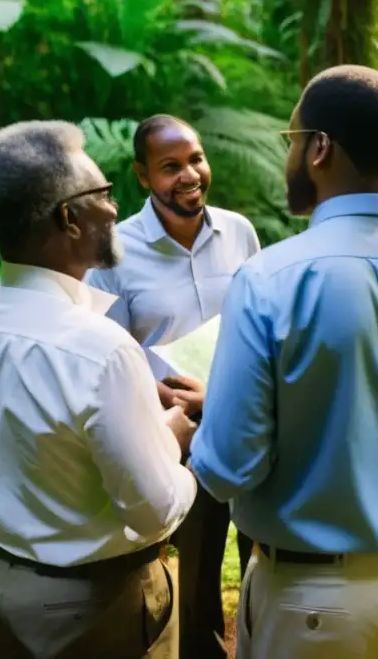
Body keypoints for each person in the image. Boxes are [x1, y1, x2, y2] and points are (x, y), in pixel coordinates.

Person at [189, 65, 378, 659]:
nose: (290, 156)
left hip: (312, 597)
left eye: (292, 140)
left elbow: (229, 466)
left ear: (320, 148)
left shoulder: (270, 279)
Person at [0, 120, 198, 658]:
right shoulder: (101, 349)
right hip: (97, 603)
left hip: (4, 585)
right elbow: (153, 510)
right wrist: (172, 434)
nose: (116, 208)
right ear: (68, 217)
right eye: (103, 193)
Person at [85, 114, 260, 659]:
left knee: (268, 561)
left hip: (247, 423)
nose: (189, 175)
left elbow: (260, 324)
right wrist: (161, 394)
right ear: (142, 175)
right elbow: (105, 350)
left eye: (195, 160)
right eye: (170, 167)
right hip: (180, 436)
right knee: (199, 571)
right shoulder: (113, 250)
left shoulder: (240, 232)